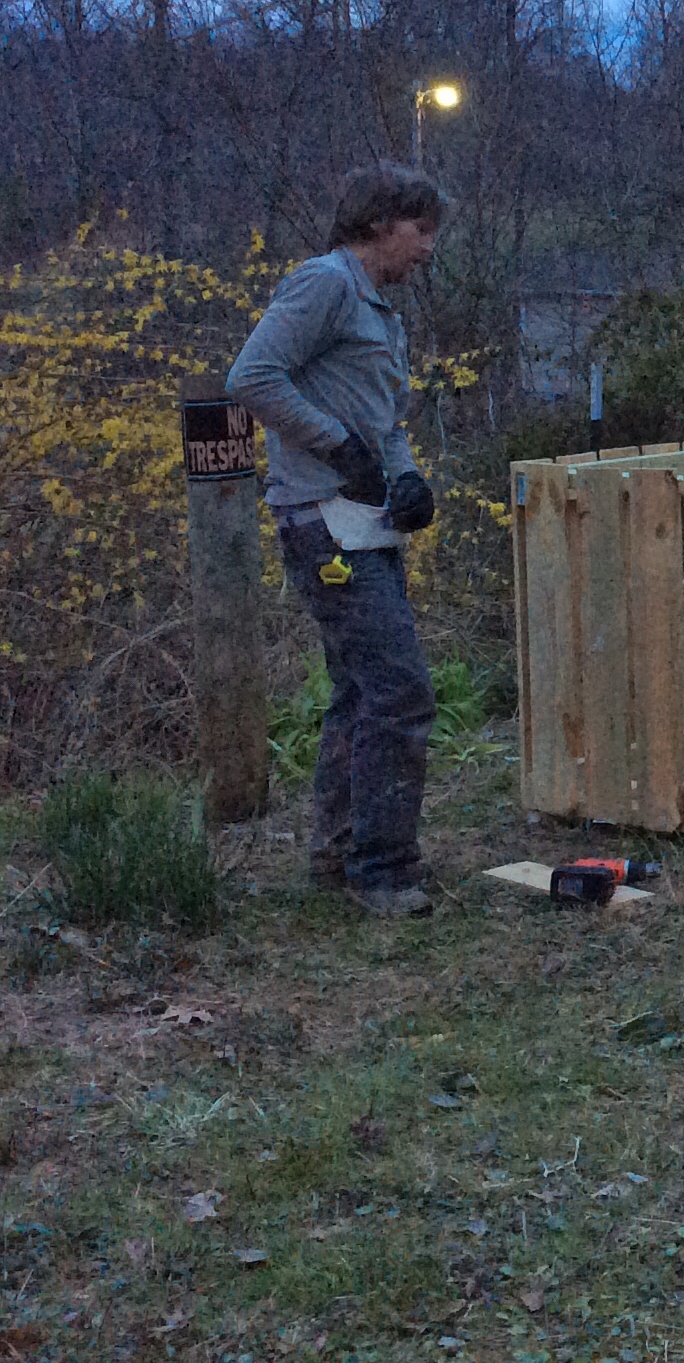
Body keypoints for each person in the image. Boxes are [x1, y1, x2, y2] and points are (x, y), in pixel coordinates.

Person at [227, 164, 445, 917]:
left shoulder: (382, 311)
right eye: (422, 231)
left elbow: (384, 424)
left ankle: (339, 856)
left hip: (366, 521)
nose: (428, 250)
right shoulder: (324, 284)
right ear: (381, 222)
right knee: (400, 689)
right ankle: (382, 872)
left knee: (361, 690)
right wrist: (334, 445)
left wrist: (406, 477)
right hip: (320, 519)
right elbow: (252, 376)